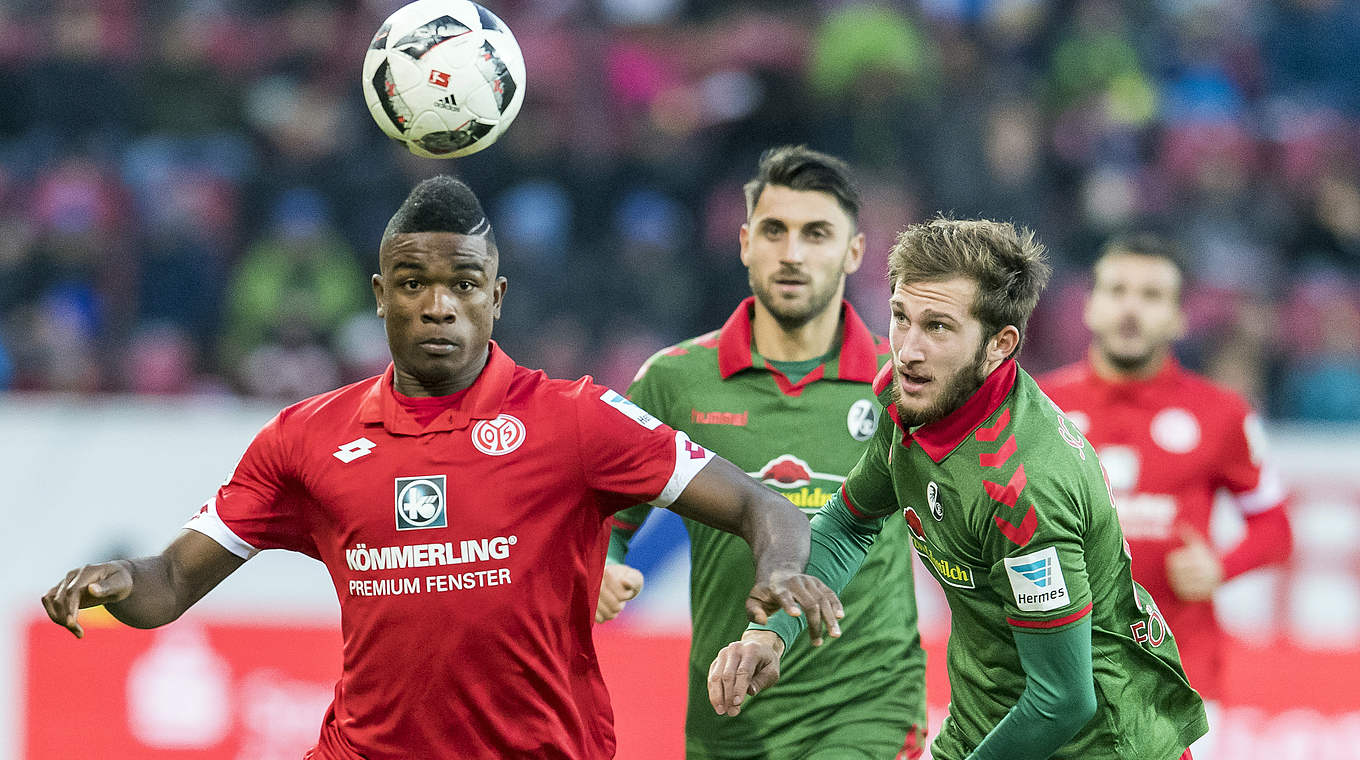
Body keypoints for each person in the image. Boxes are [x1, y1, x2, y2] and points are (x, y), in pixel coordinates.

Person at [40, 176, 843, 760]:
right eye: (415, 284)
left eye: (462, 284)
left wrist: (779, 573)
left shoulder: (575, 420)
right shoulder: (306, 439)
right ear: (381, 295)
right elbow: (172, 583)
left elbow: (763, 506)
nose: (438, 304)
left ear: (496, 297)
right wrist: (120, 580)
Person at [708, 218, 1209, 760]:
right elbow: (850, 523)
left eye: (939, 327)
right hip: (985, 725)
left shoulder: (1024, 492)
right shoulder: (911, 400)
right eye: (901, 318)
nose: (907, 351)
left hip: (1098, 746)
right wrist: (772, 632)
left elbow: (1063, 699)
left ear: (999, 344)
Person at [598, 146, 928, 759]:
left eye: (817, 234)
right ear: (746, 242)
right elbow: (603, 519)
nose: (793, 253)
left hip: (870, 713)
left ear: (855, 252)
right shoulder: (674, 382)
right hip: (730, 717)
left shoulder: (903, 381)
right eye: (775, 231)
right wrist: (601, 562)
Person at [1038, 234, 1294, 759]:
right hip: (1059, 676)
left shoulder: (1222, 414)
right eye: (1117, 290)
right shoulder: (1038, 408)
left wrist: (1221, 567)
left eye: (1152, 296)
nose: (1131, 308)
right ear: (1089, 306)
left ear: (1179, 318)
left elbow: (1276, 529)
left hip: (1180, 678)